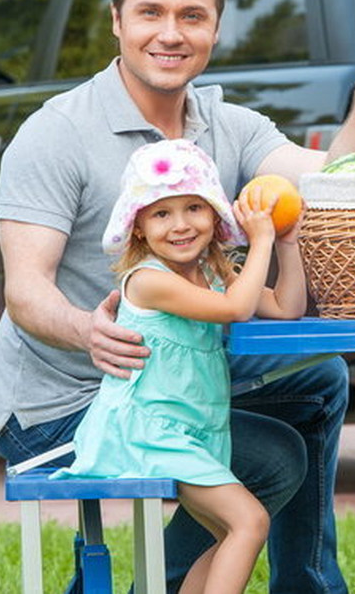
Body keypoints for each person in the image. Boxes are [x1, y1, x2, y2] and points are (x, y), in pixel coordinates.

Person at [0, 0, 355, 593]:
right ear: (117, 20)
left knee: (318, 377)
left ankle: (305, 584)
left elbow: (329, 180)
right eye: (151, 13)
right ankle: (150, 586)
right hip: (64, 400)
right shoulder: (57, 133)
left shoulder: (229, 125)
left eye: (192, 15)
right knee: (273, 459)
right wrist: (87, 330)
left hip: (170, 375)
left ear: (216, 27)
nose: (172, 33)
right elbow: (25, 292)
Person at [54, 139, 306, 594]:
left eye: (194, 207)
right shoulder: (149, 280)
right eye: (161, 214)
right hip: (148, 431)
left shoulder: (213, 273)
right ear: (139, 229)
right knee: (249, 523)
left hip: (191, 429)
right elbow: (236, 309)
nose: (181, 225)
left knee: (231, 531)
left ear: (214, 215)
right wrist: (262, 239)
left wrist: (285, 242)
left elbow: (286, 308)